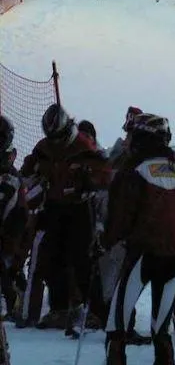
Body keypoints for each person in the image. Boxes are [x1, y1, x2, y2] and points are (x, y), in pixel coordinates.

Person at [103, 114, 175, 365]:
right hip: (174, 257)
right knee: (162, 326)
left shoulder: (134, 170)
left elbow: (120, 214)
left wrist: (107, 240)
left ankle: (116, 359)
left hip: (142, 253)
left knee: (118, 321)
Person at [21, 104, 111, 334]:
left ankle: (95, 312)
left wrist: (88, 181)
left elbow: (104, 173)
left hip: (80, 208)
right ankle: (59, 309)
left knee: (84, 260)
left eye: (59, 136)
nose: (56, 142)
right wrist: (33, 177)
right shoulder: (44, 148)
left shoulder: (83, 146)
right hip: (53, 207)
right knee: (53, 259)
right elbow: (28, 171)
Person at [0, 116, 28, 322]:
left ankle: (15, 299)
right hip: (12, 224)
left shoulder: (10, 176)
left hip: (11, 226)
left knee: (8, 264)